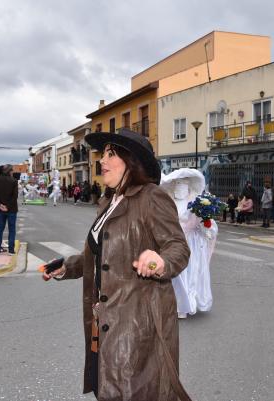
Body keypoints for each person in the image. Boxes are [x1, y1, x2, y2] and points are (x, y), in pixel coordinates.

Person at [43, 129, 192, 400]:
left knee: (134, 390)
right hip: (107, 319)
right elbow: (100, 255)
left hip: (137, 323)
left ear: (131, 161)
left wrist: (160, 262)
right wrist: (69, 267)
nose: (102, 160)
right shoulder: (108, 202)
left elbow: (178, 247)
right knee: (110, 388)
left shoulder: (151, 197)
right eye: (103, 154)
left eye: (111, 154)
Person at [161, 168, 216, 319]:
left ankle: (186, 305)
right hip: (171, 242)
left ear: (188, 187)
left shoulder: (195, 203)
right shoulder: (168, 202)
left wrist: (206, 225)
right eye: (177, 185)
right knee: (175, 275)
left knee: (188, 274)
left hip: (190, 243)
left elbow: (208, 224)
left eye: (183, 185)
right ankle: (174, 304)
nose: (180, 188)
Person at [0, 164, 18, 255]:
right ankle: (11, 250)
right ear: (10, 171)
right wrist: (7, 206)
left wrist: (0, 205)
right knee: (12, 229)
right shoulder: (14, 181)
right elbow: (15, 197)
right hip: (12, 209)